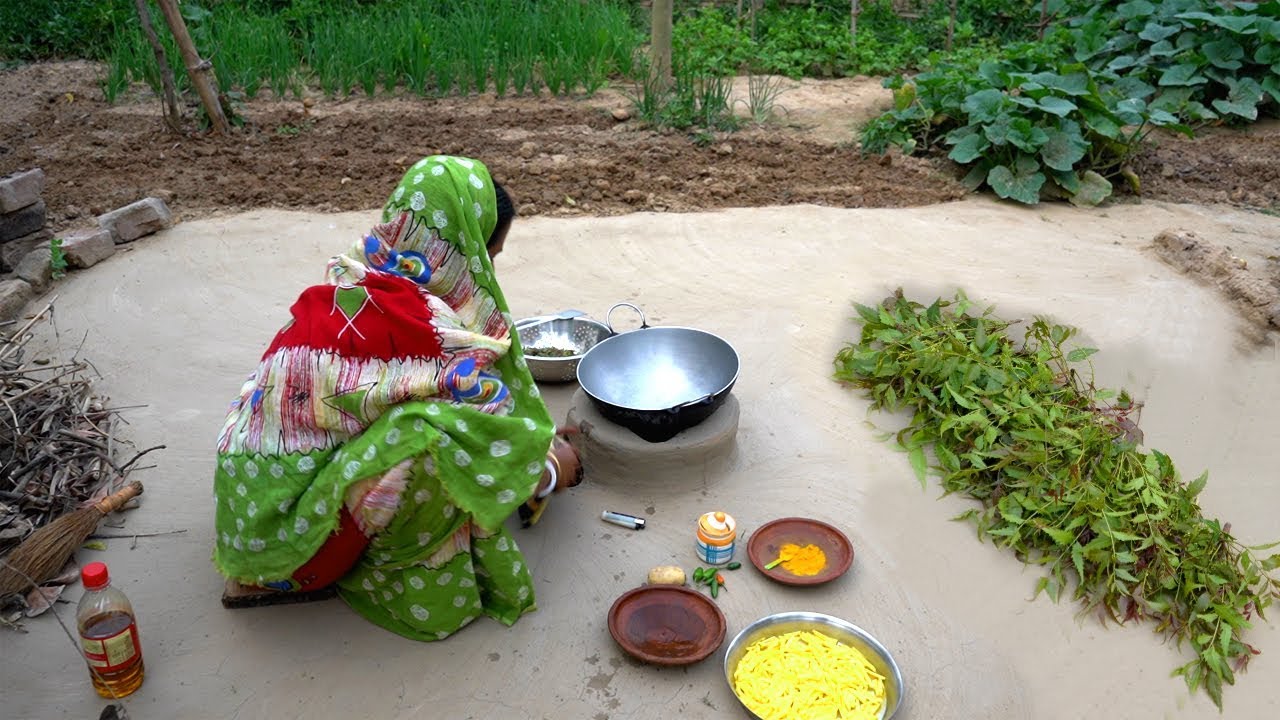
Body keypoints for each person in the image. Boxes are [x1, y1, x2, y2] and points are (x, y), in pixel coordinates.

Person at [213, 155, 580, 641]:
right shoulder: (428, 330)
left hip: (255, 510)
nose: (487, 271)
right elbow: (478, 431)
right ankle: (396, 573)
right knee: (433, 439)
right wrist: (549, 468)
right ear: (456, 247)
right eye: (485, 255)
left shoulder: (358, 271)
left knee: (438, 416)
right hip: (294, 548)